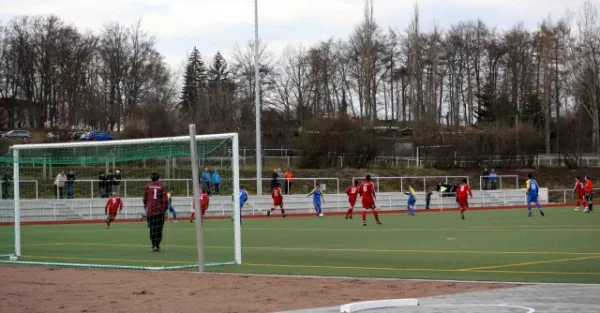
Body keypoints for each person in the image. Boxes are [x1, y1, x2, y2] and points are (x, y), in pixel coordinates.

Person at [143, 172, 169, 252]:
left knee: (152, 228)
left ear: (151, 178)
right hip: (159, 210)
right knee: (159, 228)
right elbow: (165, 199)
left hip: (150, 210)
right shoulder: (162, 186)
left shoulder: (147, 186)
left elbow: (144, 198)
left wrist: (146, 206)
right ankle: (157, 245)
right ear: (158, 178)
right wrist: (165, 209)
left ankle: (153, 244)